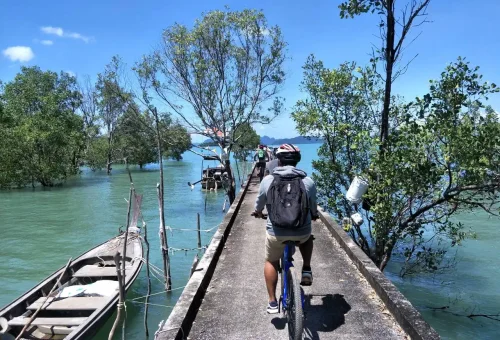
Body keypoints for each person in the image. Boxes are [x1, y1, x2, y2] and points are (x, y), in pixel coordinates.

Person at [251, 144, 318, 314]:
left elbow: (259, 204)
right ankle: (307, 269)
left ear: (278, 160)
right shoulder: (308, 181)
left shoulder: (268, 180)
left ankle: (272, 302)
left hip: (276, 232)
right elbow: (313, 207)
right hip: (301, 231)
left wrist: (258, 212)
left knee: (271, 261)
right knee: (307, 237)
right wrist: (314, 215)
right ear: (298, 160)